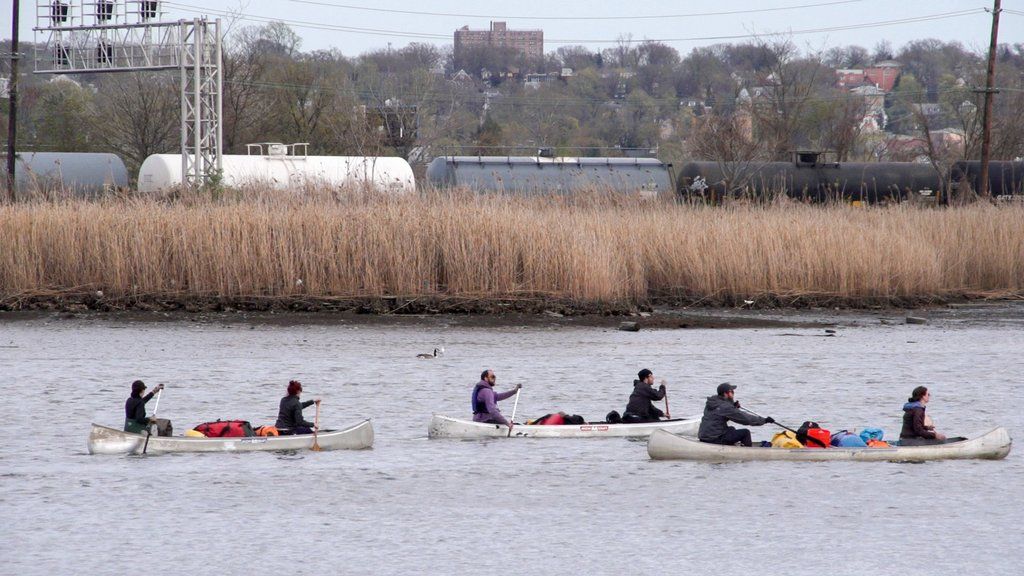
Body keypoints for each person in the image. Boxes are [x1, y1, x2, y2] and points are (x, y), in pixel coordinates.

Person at [697, 383, 773, 447]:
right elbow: (746, 419)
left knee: (731, 429)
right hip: (714, 438)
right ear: (725, 393)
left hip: (704, 436)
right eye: (732, 392)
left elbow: (720, 414)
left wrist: (733, 406)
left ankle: (732, 447)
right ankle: (747, 453)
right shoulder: (726, 407)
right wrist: (764, 420)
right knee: (745, 433)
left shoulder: (712, 403)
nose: (733, 393)